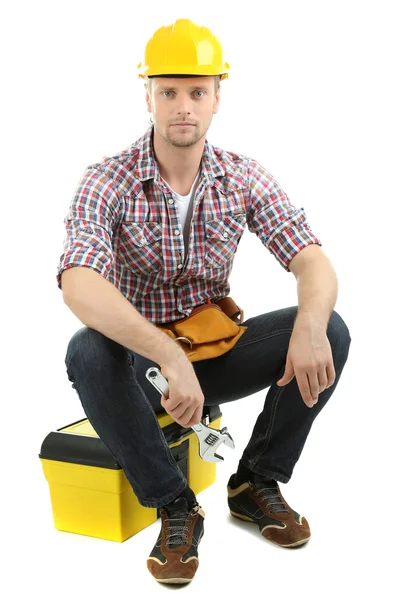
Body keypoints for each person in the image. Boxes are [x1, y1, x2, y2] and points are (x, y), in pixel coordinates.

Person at [58, 18, 351, 585]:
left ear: (218, 97)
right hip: (145, 368)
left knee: (330, 329)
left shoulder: (241, 176)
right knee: (87, 351)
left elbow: (311, 258)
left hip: (214, 353)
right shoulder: (107, 180)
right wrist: (165, 355)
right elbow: (78, 281)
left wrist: (311, 324)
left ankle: (254, 483)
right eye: (168, 92)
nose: (182, 106)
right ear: (147, 95)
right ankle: (175, 505)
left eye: (197, 91)